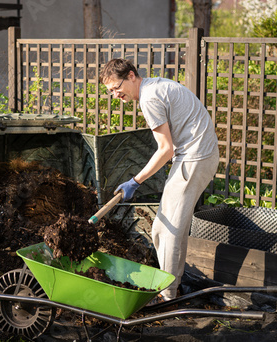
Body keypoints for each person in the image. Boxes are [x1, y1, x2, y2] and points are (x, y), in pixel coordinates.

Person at [99, 59, 219, 301]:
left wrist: (135, 180)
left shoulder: (149, 98)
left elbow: (165, 149)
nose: (115, 95)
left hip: (194, 158)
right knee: (165, 227)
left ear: (131, 76)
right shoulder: (155, 87)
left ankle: (168, 295)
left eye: (116, 87)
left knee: (167, 230)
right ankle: (173, 285)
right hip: (196, 155)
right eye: (110, 91)